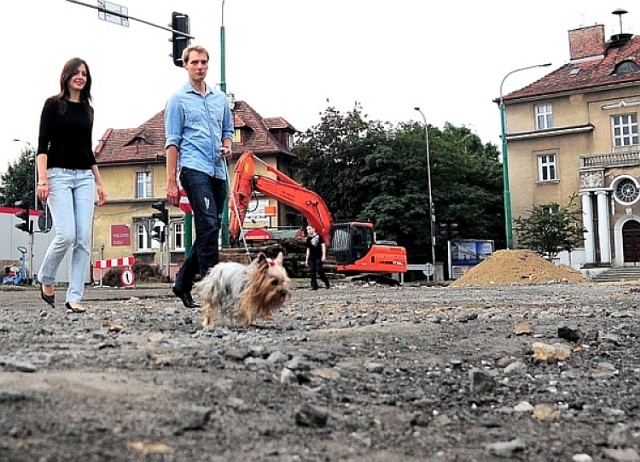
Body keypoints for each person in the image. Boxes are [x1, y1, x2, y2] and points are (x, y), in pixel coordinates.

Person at [164, 44, 234, 308]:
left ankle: (182, 283)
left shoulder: (219, 98)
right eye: (195, 62)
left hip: (217, 170)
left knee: (209, 230)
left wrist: (228, 145)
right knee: (208, 226)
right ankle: (213, 293)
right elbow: (172, 142)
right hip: (193, 168)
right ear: (186, 65)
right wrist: (171, 181)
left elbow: (228, 129)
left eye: (204, 62)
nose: (200, 67)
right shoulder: (177, 99)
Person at [36, 57, 107, 313]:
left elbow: (88, 150)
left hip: (84, 178)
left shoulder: (88, 110)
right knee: (66, 234)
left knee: (83, 240)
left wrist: (99, 183)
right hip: (58, 176)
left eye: (84, 74)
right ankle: (46, 277)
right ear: (66, 76)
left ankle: (74, 296)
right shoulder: (54, 105)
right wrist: (42, 180)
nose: (80, 77)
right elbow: (42, 146)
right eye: (76, 73)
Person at [305, 225, 331, 290]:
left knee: (319, 269)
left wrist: (324, 255)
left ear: (314, 229)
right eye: (307, 229)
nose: (308, 231)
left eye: (310, 229)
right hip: (311, 257)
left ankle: (326, 282)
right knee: (312, 271)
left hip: (318, 256)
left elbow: (323, 246)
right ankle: (314, 286)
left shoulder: (319, 237)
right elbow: (308, 249)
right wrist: (306, 259)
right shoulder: (308, 239)